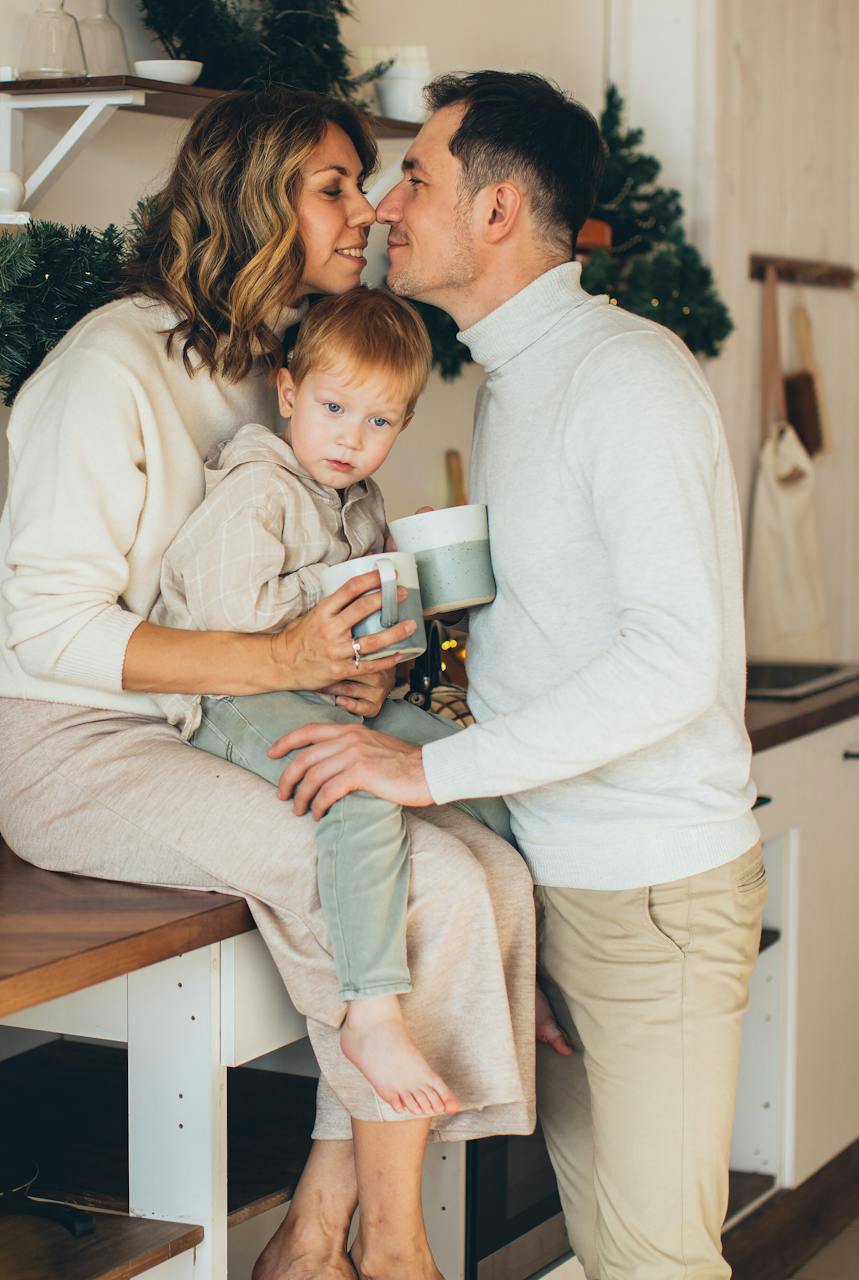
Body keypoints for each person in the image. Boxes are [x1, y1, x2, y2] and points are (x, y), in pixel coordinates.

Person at [0, 88, 535, 1280]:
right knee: (419, 871)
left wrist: (356, 650)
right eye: (333, 185)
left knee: (479, 850)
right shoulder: (104, 368)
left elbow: (285, 595)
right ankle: (392, 1244)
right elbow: (46, 626)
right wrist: (287, 659)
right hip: (82, 749)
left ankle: (312, 1227)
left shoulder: (275, 365)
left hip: (214, 726)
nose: (370, 213)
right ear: (250, 198)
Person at [271, 72, 765, 1280]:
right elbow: (547, 633)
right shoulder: (511, 381)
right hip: (564, 875)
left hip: (652, 895)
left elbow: (672, 662)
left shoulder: (627, 379)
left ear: (495, 212)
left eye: (417, 177)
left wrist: (427, 767)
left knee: (654, 1261)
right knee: (609, 1251)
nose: (387, 206)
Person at [149, 285, 522, 1120]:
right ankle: (371, 1010)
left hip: (313, 684)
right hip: (231, 694)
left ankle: (530, 978)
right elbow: (227, 614)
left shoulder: (360, 501)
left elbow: (366, 632)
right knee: (357, 796)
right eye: (333, 407)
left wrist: (387, 653)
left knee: (463, 768)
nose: (352, 438)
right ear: (288, 394)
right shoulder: (259, 488)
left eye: (380, 421)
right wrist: (339, 599)